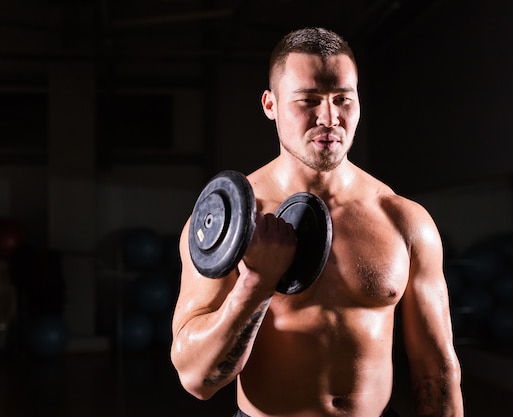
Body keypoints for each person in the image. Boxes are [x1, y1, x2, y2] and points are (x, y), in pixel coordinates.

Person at [170, 27, 463, 417]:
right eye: (308, 100)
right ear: (270, 104)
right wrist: (256, 285)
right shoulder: (230, 223)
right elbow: (196, 379)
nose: (330, 117)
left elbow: (436, 368)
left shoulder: (403, 219)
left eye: (343, 99)